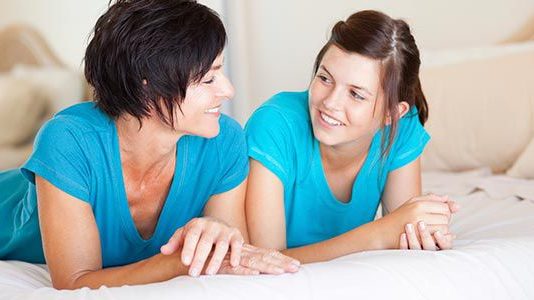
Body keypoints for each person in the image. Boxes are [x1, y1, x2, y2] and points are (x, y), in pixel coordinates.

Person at [0, 0, 299, 289]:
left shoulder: (223, 140)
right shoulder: (68, 141)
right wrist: (179, 263)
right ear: (148, 84)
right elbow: (75, 282)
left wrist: (218, 234)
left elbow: (230, 256)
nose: (228, 90)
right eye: (209, 79)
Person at [244, 10, 460, 263]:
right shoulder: (274, 125)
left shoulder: (402, 128)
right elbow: (266, 259)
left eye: (356, 94)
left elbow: (402, 235)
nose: (330, 103)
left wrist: (425, 232)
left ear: (393, 114)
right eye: (325, 78)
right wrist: (378, 234)